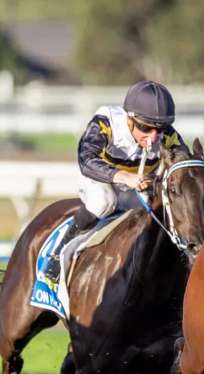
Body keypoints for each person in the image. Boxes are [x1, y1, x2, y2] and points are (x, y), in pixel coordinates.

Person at [44, 80, 185, 287]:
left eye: (160, 129)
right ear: (130, 119)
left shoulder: (168, 136)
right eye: (146, 128)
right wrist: (123, 176)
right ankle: (59, 251)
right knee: (104, 202)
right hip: (99, 179)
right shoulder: (106, 123)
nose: (154, 137)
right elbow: (86, 159)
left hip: (136, 187)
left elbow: (185, 165)